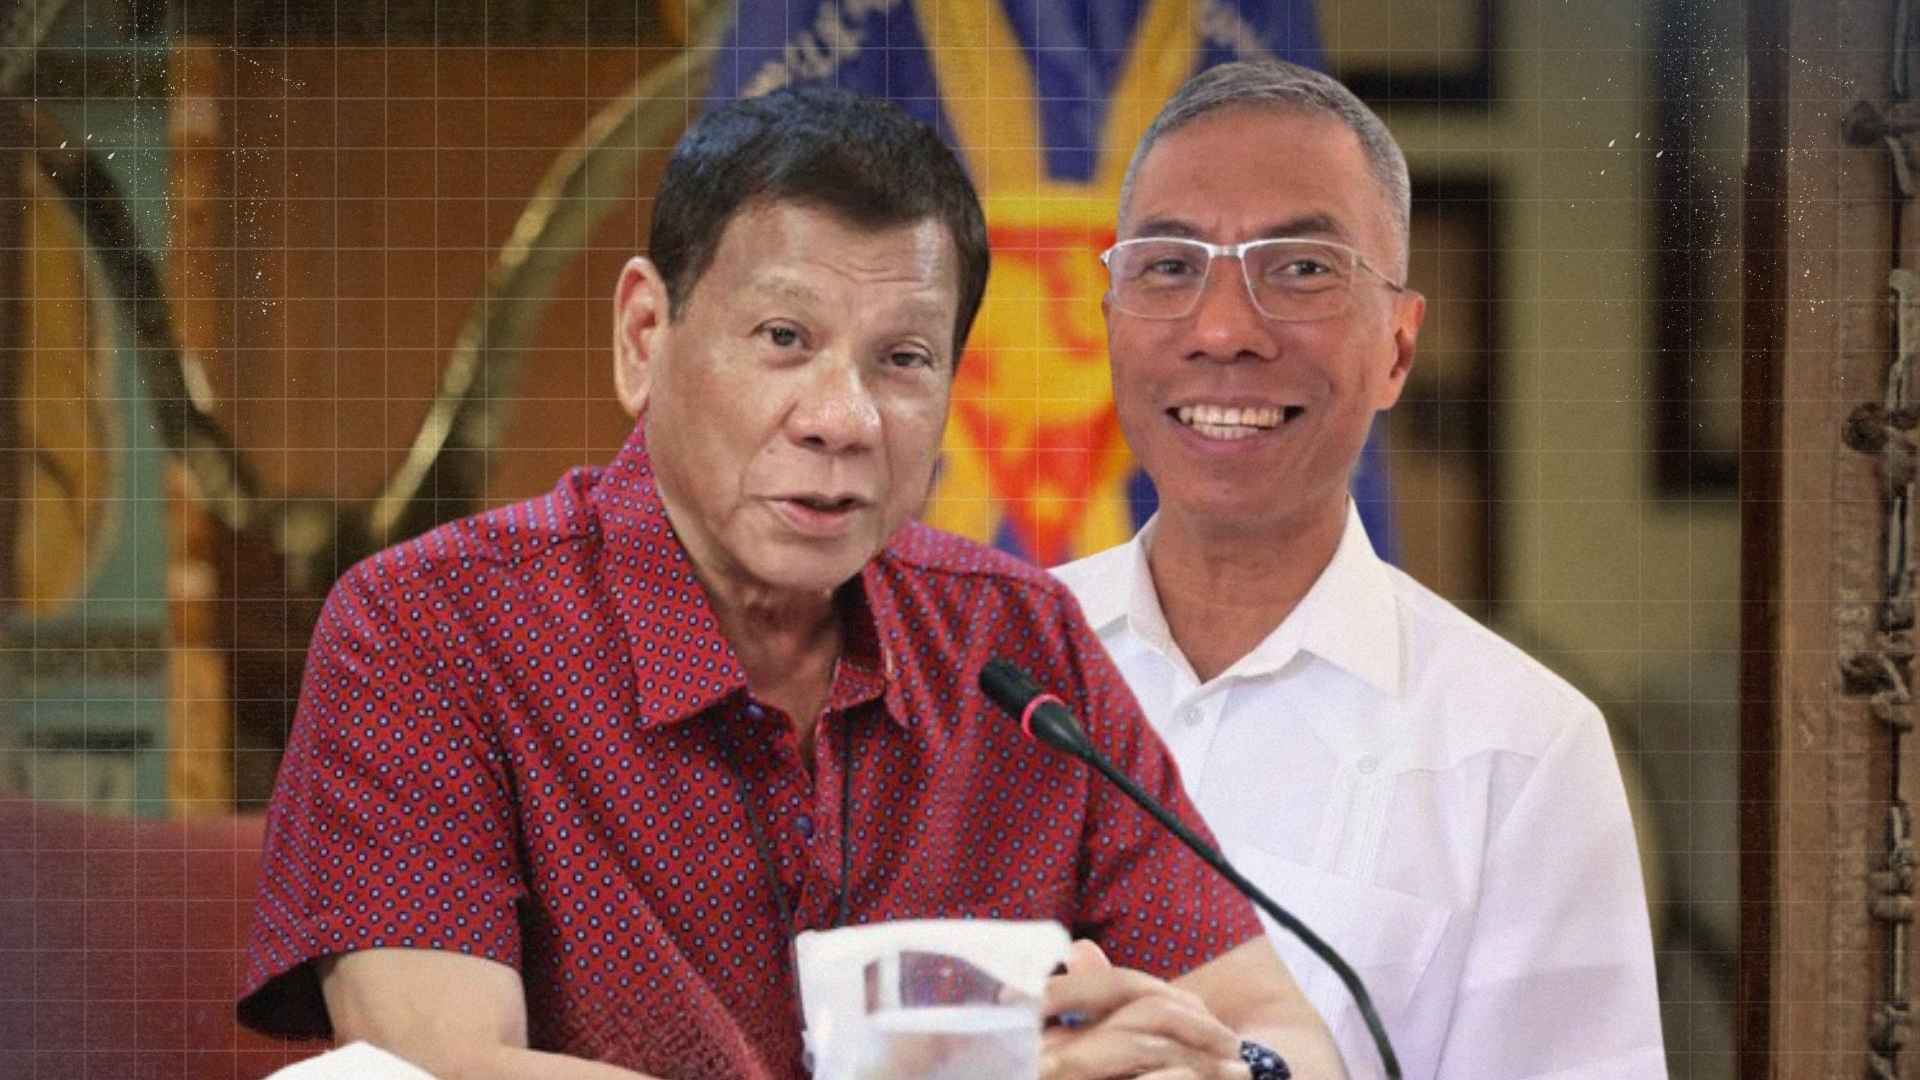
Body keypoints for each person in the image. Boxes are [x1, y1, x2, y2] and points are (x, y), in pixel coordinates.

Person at [237, 87, 1341, 1080]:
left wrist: (1219, 1071)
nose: (843, 419)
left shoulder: (1017, 645)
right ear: (644, 336)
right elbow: (442, 1070)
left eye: (901, 360)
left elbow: (1286, 1035)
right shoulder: (432, 628)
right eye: (784, 337)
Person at [1052, 61, 1667, 1079]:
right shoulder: (988, 672)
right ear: (1108, 321)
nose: (1222, 331)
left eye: (1299, 269)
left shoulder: (1519, 753)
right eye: (1169, 266)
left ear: (1398, 347)